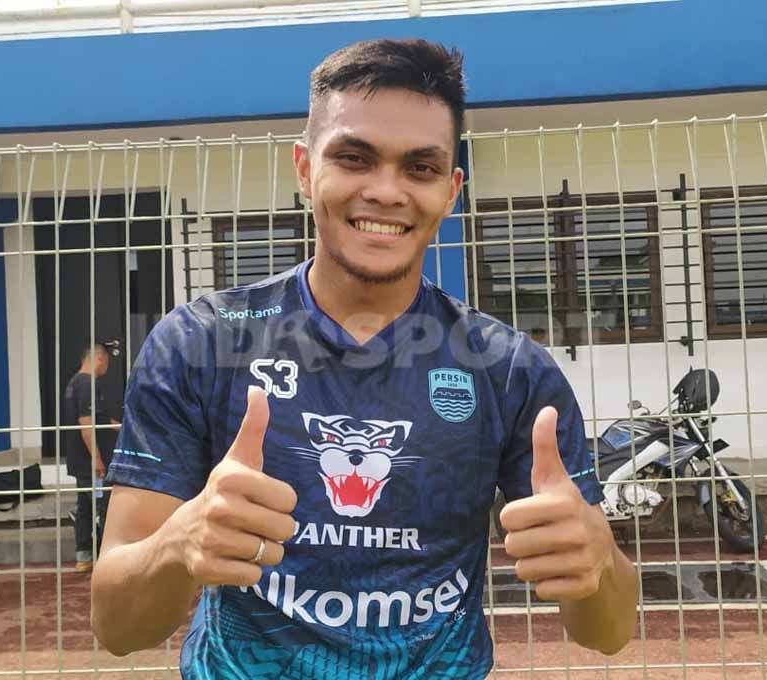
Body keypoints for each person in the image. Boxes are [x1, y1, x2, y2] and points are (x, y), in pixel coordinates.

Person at [90, 38, 638, 678]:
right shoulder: (201, 343)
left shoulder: (509, 369)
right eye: (354, 158)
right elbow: (117, 626)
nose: (386, 191)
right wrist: (178, 547)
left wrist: (599, 561)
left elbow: (608, 633)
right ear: (303, 167)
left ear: (452, 189)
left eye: (420, 168)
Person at [62, 341, 118, 572]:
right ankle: (108, 559)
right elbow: (87, 424)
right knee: (102, 506)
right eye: (107, 360)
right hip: (91, 463)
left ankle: (84, 557)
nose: (107, 366)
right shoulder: (88, 384)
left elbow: (100, 420)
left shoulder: (74, 383)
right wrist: (97, 458)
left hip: (80, 461)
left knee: (85, 506)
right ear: (99, 358)